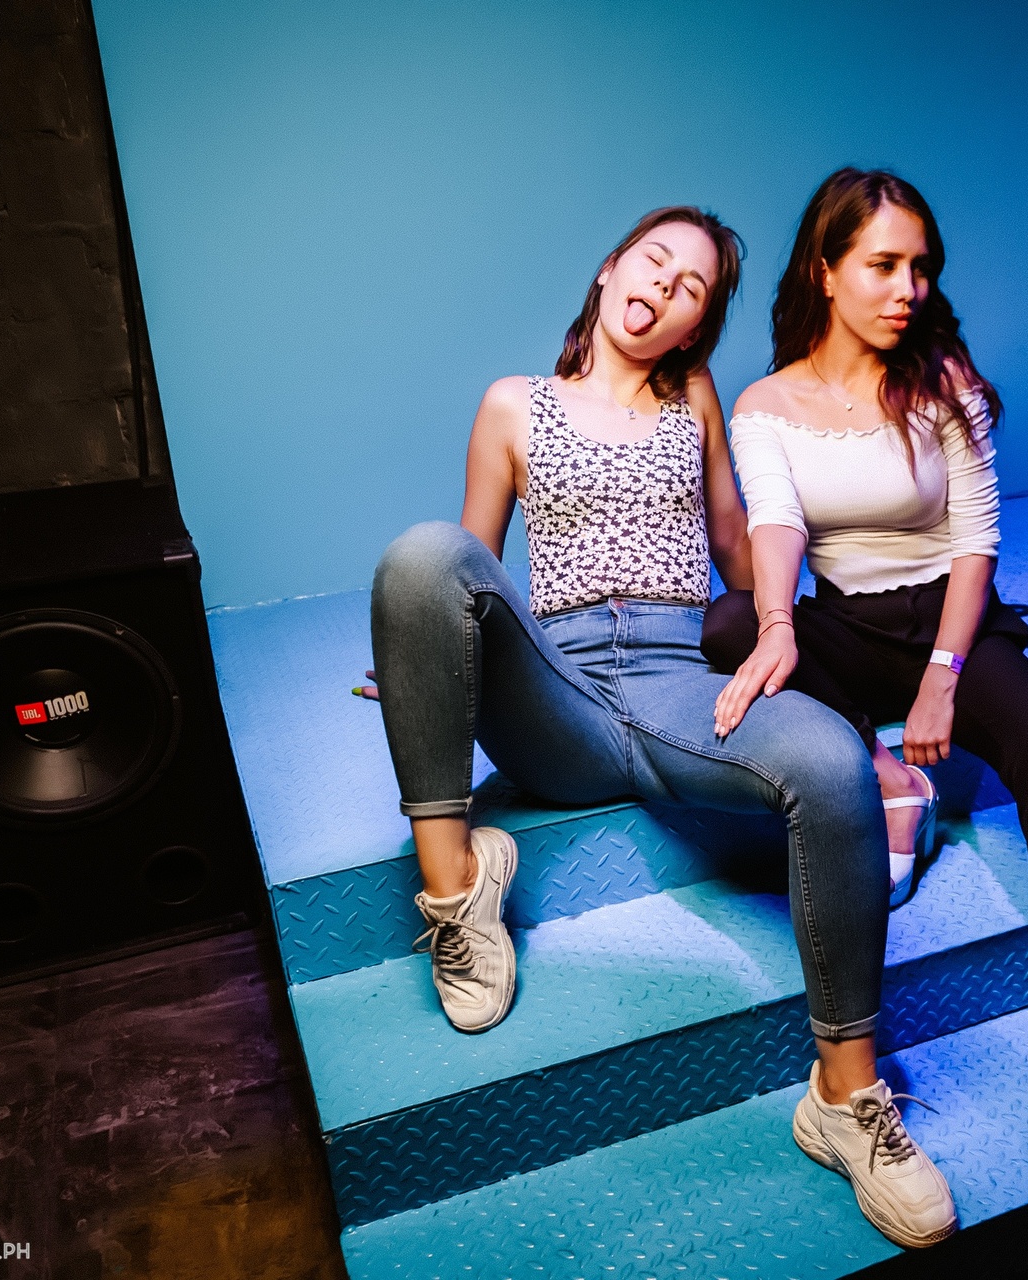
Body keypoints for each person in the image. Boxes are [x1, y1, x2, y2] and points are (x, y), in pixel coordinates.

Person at [364, 205, 958, 1245]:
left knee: (828, 761)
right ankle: (458, 890)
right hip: (556, 689)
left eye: (693, 289)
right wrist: (426, 650)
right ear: (608, 271)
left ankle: (844, 1096)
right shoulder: (513, 403)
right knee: (422, 555)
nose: (666, 287)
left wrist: (814, 620)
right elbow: (471, 563)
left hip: (683, 684)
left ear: (695, 328)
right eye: (654, 262)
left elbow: (738, 547)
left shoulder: (696, 401)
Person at [703, 169, 1028, 1192]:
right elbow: (777, 524)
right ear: (825, 271)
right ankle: (881, 769)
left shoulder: (943, 377)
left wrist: (945, 676)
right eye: (883, 265)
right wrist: (777, 625)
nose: (908, 289)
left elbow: (976, 540)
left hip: (950, 620)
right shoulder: (767, 404)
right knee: (730, 623)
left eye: (920, 267)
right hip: (849, 625)